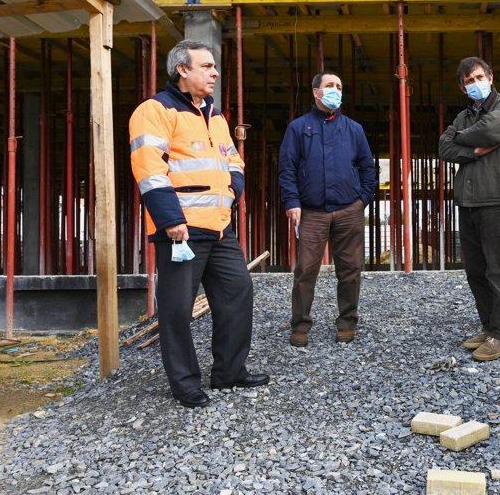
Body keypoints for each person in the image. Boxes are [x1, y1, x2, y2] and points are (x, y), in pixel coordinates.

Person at [129, 40, 268, 409]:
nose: (214, 73)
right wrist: (171, 219)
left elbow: (233, 161)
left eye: (214, 67)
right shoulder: (155, 110)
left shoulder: (215, 115)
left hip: (220, 229)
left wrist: (233, 191)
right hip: (182, 231)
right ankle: (185, 384)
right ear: (182, 70)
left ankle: (228, 372)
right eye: (206, 66)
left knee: (238, 295)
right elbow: (149, 169)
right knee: (177, 310)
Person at [278, 71, 377, 347]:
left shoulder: (353, 129)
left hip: (348, 210)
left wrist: (362, 200)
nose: (335, 90)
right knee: (306, 270)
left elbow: (367, 167)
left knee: (350, 270)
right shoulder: (298, 128)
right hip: (311, 212)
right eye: (330, 85)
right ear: (316, 92)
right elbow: (287, 168)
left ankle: (347, 323)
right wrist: (292, 201)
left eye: (339, 86)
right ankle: (300, 325)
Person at [438, 57, 500, 362]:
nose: (474, 84)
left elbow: (491, 130)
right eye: (468, 81)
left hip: (496, 198)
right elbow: (443, 147)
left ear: (490, 75)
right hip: (468, 201)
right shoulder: (463, 116)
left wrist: (459, 139)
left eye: (478, 77)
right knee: (475, 269)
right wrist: (471, 150)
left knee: (498, 269)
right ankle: (488, 327)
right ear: (463, 88)